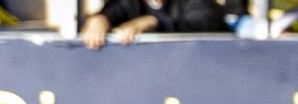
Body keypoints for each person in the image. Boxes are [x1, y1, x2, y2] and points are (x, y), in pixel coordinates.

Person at [80, 0, 233, 48]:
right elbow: (110, 12)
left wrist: (155, 23)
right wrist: (99, 20)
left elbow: (203, 24)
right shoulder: (130, 3)